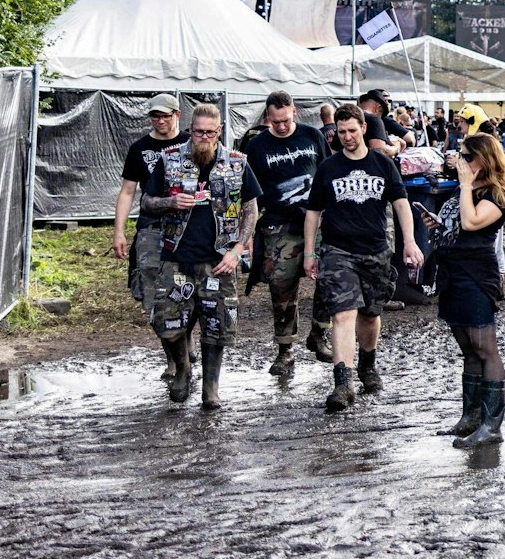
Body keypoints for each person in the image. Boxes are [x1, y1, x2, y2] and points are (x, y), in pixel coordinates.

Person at [302, 105, 424, 413]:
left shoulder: (382, 164)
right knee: (342, 314)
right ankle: (343, 383)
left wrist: (409, 242)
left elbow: (401, 204)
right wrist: (309, 252)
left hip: (375, 250)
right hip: (337, 251)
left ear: (363, 129)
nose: (346, 137)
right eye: (341, 132)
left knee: (370, 315)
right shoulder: (329, 168)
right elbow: (313, 212)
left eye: (352, 130)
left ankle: (367, 362)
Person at [139, 103, 260, 410]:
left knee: (217, 326)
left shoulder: (237, 162)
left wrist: (237, 249)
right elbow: (146, 202)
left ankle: (211, 388)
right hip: (177, 257)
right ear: (189, 130)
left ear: (219, 131)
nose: (203, 137)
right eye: (197, 132)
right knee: (167, 322)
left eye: (209, 132)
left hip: (218, 260)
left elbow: (250, 209)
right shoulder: (169, 160)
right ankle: (182, 368)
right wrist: (170, 201)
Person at [425, 133, 505, 447]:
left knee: (485, 347)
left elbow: (473, 222)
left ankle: (492, 426)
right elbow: (460, 223)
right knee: (467, 347)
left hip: (476, 275)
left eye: (465, 155)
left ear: (482, 159)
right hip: (452, 273)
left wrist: (464, 186)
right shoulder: (469, 189)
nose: (459, 160)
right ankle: (471, 417)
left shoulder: (496, 192)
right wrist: (440, 223)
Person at [241, 90, 331, 377]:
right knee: (281, 286)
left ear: (293, 111)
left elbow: (327, 171)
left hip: (316, 219)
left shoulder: (312, 136)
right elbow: (249, 190)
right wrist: (248, 232)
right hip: (280, 223)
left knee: (331, 276)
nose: (280, 126)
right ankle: (285, 349)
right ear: (268, 116)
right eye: (275, 121)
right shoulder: (257, 145)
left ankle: (319, 333)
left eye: (285, 119)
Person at [111, 94, 185, 316]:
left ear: (177, 115)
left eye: (165, 116)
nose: (160, 121)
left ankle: (184, 337)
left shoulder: (189, 143)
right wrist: (119, 233)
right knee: (150, 281)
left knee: (184, 283)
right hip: (151, 225)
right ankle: (164, 329)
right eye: (155, 116)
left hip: (185, 224)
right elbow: (127, 191)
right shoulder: (139, 148)